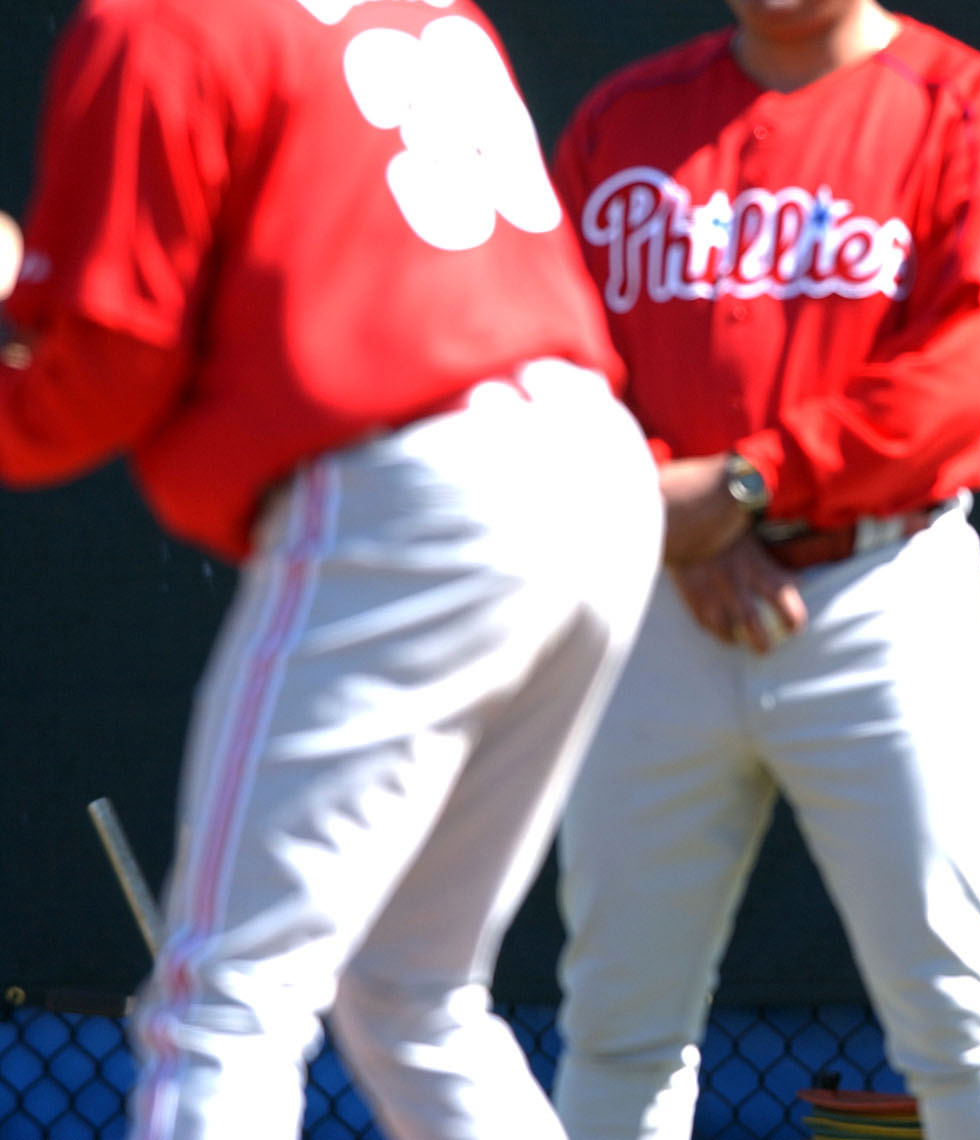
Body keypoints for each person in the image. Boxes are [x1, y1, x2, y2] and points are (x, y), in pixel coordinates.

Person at [0, 1, 661, 1137]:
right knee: (412, 997)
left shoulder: (155, 22)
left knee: (226, 999)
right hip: (590, 467)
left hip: (414, 488)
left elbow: (111, 359)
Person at [543, 2, 980, 1138]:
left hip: (879, 591)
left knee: (957, 1017)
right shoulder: (624, 120)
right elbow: (542, 360)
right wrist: (684, 528)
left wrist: (740, 486)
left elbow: (965, 377)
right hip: (653, 604)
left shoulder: (972, 108)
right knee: (618, 1027)